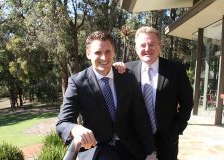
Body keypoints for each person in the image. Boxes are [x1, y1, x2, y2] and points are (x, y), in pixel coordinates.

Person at [56, 31, 157, 160]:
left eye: (108, 52)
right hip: (97, 149)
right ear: (88, 54)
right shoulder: (77, 83)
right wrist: (75, 129)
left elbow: (141, 119)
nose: (104, 58)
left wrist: (151, 152)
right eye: (97, 52)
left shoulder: (128, 78)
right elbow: (63, 122)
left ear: (113, 51)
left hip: (130, 148)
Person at [114, 26, 193, 160]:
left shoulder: (176, 70)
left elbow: (187, 103)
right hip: (134, 141)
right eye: (143, 45)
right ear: (136, 48)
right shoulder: (125, 71)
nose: (147, 49)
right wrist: (112, 68)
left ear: (160, 46)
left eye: (152, 44)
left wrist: (175, 130)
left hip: (166, 141)